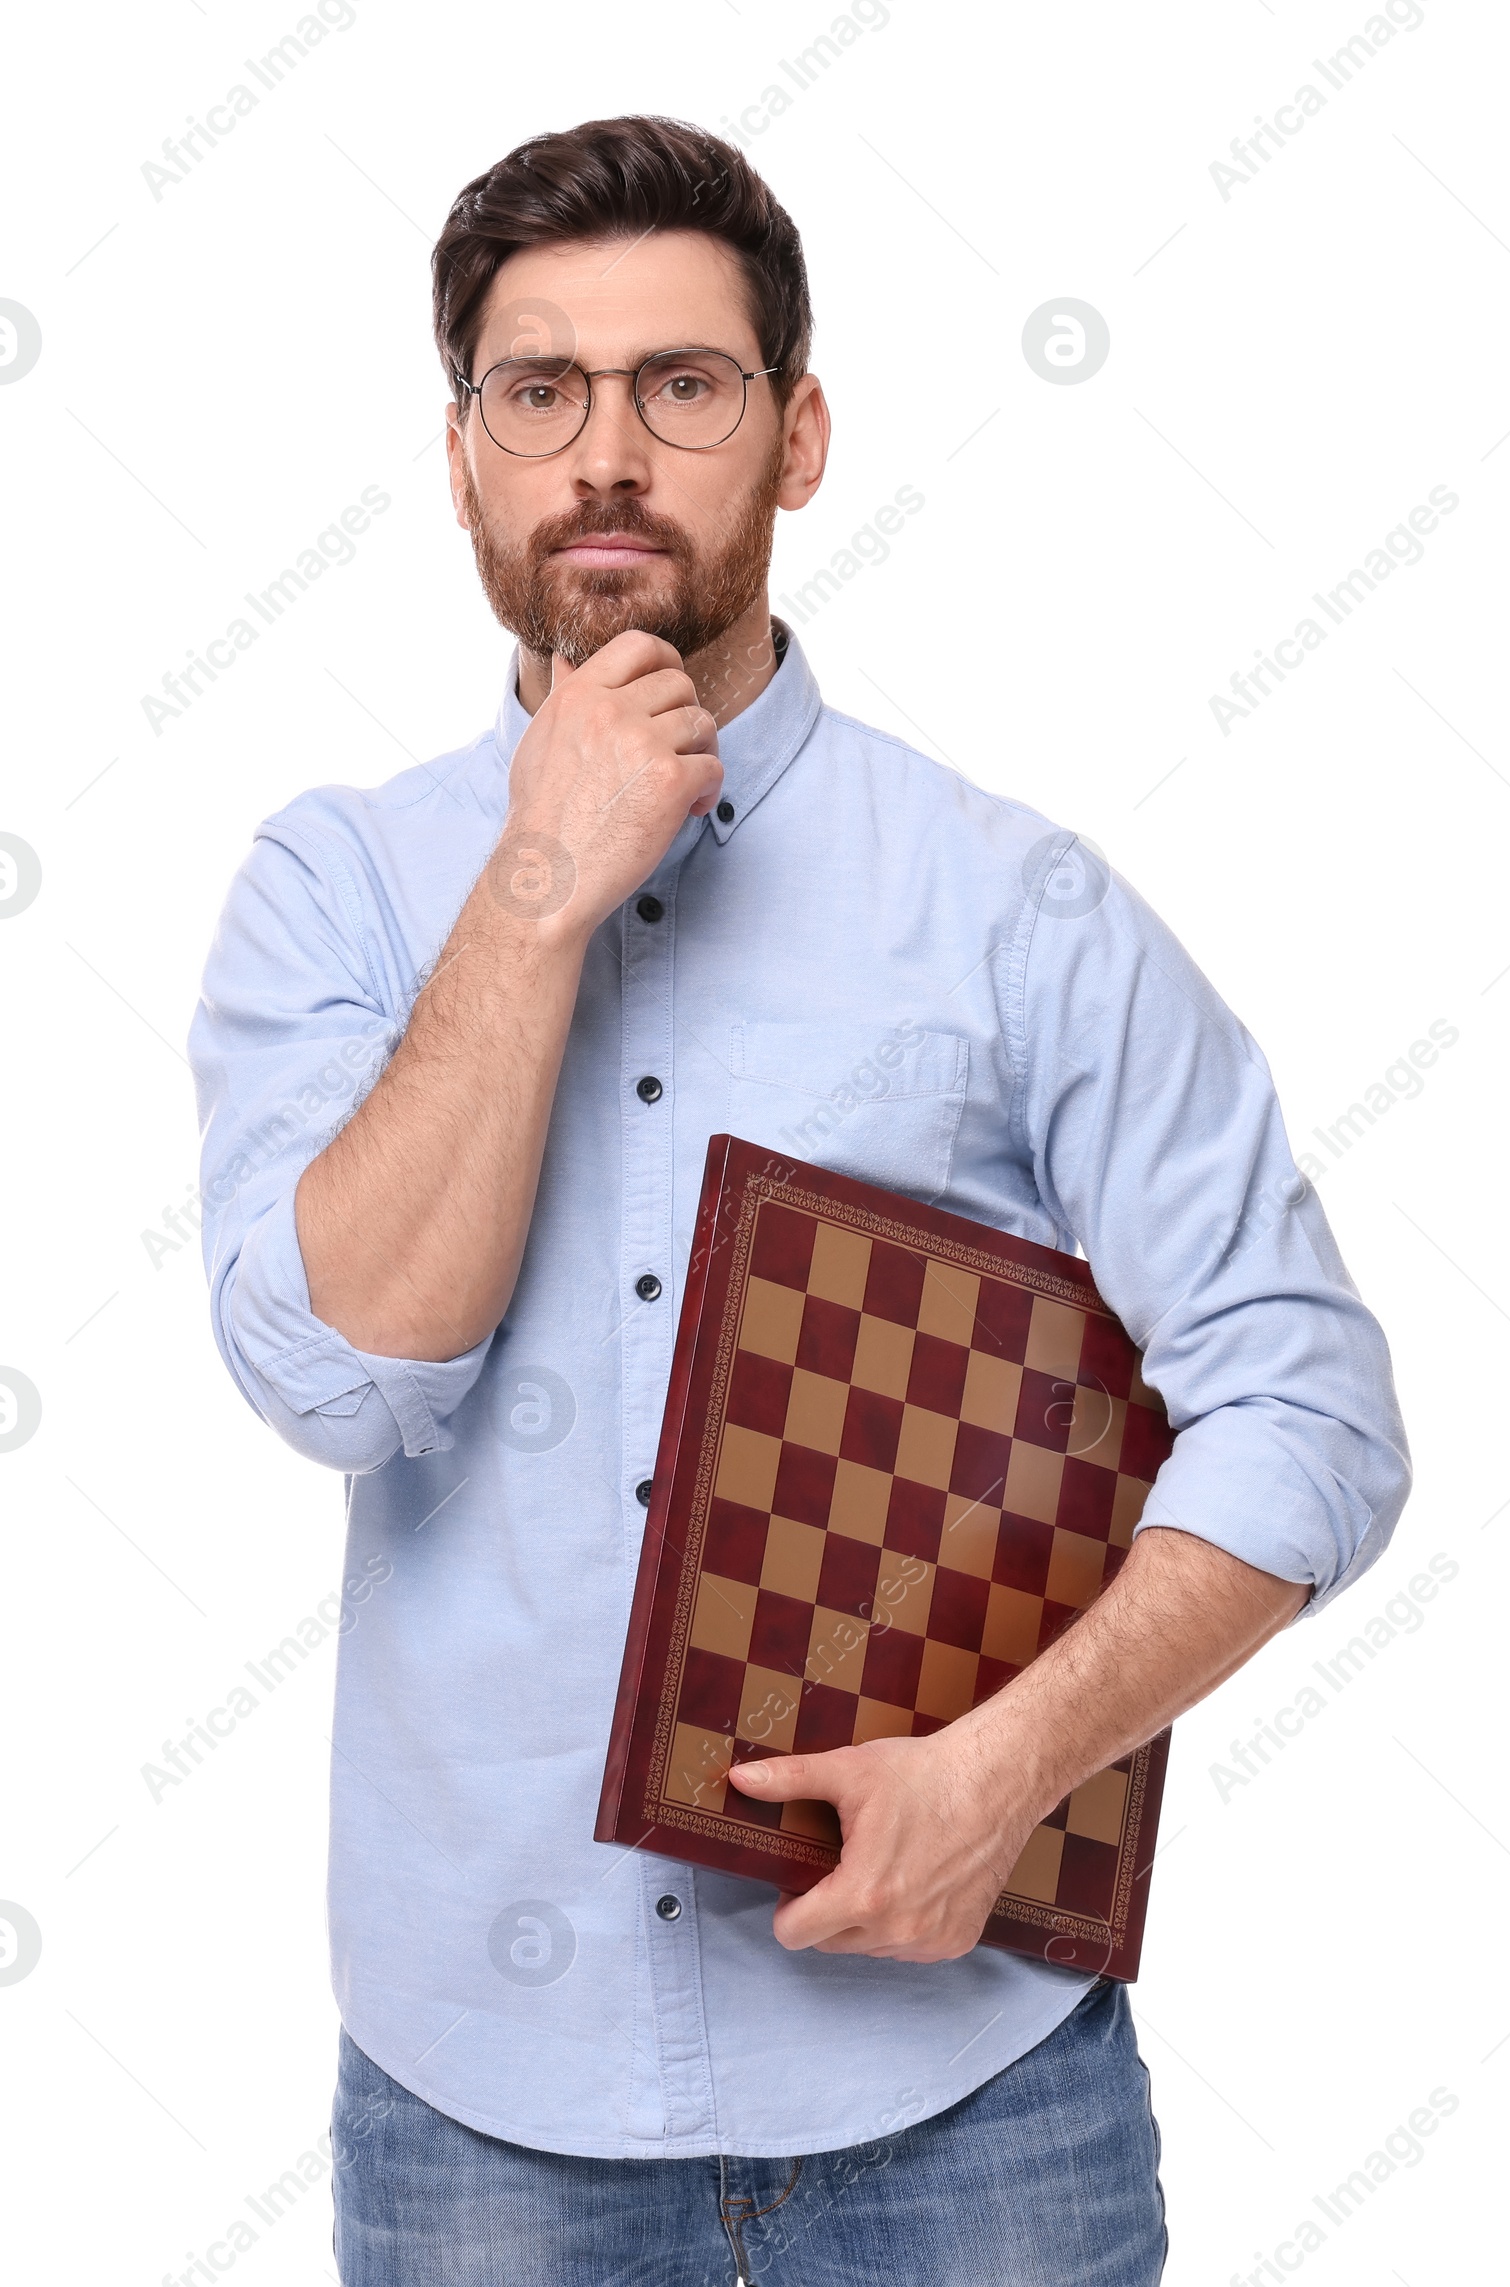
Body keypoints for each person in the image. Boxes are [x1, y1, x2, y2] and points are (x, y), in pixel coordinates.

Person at [189, 114, 1410, 2287]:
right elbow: (331, 1373)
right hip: (483, 2114)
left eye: (683, 385)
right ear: (462, 456)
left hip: (965, 2104)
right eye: (536, 389)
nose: (607, 455)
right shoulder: (339, 891)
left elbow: (1305, 1407)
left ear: (799, 433)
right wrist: (542, 883)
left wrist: (1017, 1763)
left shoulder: (1014, 907)